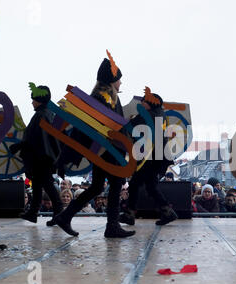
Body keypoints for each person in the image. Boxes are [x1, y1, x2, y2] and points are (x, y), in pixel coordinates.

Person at [53, 51, 135, 238]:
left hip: (105, 151)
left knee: (97, 187)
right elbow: (86, 129)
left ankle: (66, 216)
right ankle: (112, 226)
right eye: (119, 79)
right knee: (115, 185)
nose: (121, 83)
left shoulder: (105, 96)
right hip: (109, 151)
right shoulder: (104, 98)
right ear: (112, 79)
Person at [120, 87, 178, 226]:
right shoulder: (160, 114)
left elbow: (131, 125)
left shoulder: (150, 115)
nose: (142, 104)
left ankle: (130, 214)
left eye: (144, 101)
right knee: (151, 186)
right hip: (156, 157)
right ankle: (167, 212)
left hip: (151, 158)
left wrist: (128, 120)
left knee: (134, 184)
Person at [9, 84, 63, 226]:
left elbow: (33, 139)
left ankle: (58, 213)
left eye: (33, 99)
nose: (32, 102)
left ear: (39, 100)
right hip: (43, 157)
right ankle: (33, 213)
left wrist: (18, 146)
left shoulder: (41, 115)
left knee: (47, 185)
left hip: (41, 158)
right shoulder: (46, 114)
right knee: (39, 185)